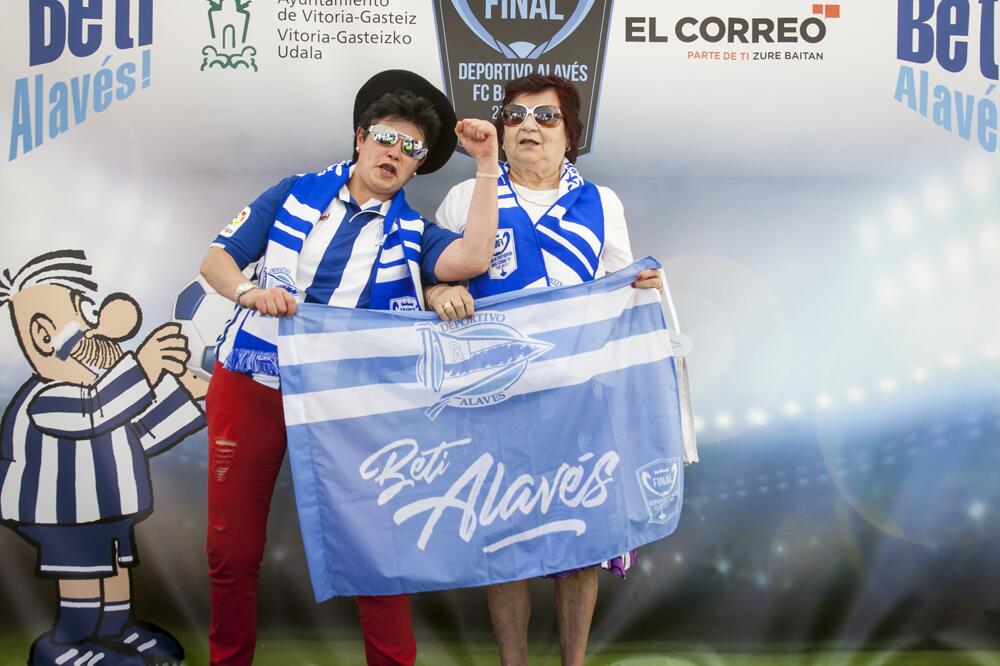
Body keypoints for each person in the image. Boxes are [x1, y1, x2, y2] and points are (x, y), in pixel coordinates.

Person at [198, 69, 498, 666]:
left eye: (412, 149)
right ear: (361, 136)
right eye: (388, 137)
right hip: (253, 381)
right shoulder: (293, 192)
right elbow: (217, 259)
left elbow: (471, 258)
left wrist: (486, 164)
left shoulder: (414, 232)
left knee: (377, 551)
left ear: (417, 168)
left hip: (350, 404)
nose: (396, 153)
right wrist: (245, 294)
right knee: (230, 550)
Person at [430, 74, 662, 666]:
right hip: (495, 391)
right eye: (514, 116)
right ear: (502, 132)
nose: (528, 125)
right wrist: (436, 292)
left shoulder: (602, 203)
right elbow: (429, 276)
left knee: (580, 538)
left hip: (578, 393)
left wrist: (647, 286)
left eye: (545, 117)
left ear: (571, 137)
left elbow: (620, 286)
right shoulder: (466, 196)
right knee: (502, 537)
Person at [0, 249, 206, 666]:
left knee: (113, 568)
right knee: (82, 572)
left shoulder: (102, 397)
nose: (101, 326)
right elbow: (95, 411)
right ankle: (66, 644)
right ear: (44, 336)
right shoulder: (46, 398)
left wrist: (193, 397)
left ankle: (115, 631)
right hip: (62, 514)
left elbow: (141, 432)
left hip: (106, 509)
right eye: (85, 313)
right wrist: (144, 366)